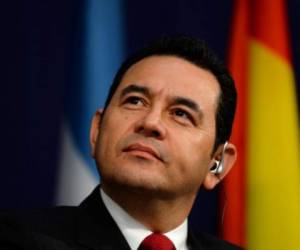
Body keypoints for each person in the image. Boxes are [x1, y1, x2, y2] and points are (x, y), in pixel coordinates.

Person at [0, 35, 241, 250]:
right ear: (96, 130)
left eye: (180, 114)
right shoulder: (18, 239)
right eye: (135, 101)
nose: (150, 122)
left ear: (217, 162)